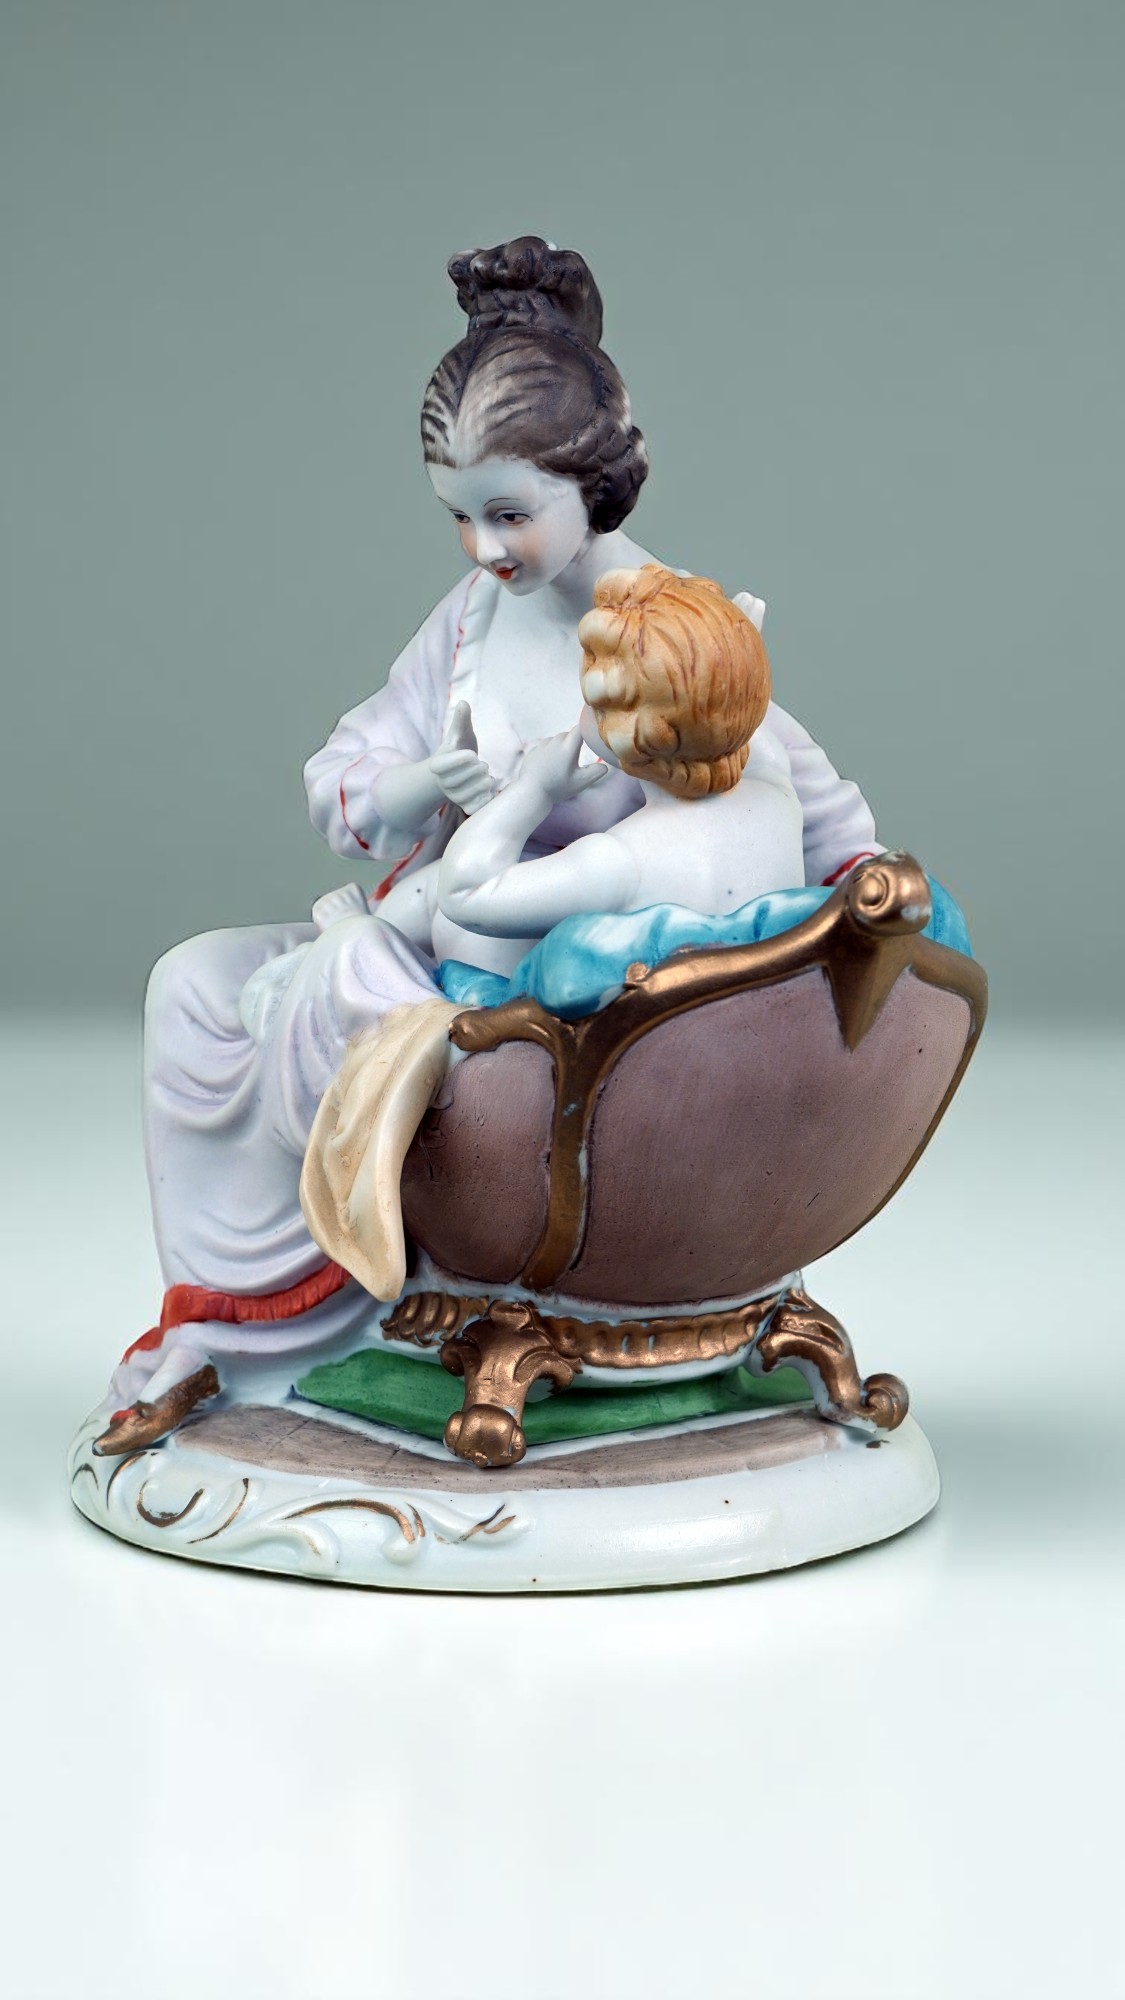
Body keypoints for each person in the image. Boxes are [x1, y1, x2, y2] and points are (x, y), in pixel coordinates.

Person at [96, 235, 881, 1453]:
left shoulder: (672, 634)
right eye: (458, 516)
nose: (483, 548)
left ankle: (305, 1311)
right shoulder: (470, 621)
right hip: (431, 943)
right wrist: (428, 780)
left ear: (596, 482)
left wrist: (850, 922)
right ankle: (222, 1332)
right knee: (191, 984)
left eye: (510, 513)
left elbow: (822, 822)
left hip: (533, 1021)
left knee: (334, 980)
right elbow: (345, 774)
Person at [437, 566, 805, 951]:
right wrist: (727, 663)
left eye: (592, 702)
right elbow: (739, 722)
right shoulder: (777, 796)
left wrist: (534, 790)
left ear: (624, 734)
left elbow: (466, 893)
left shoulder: (618, 862)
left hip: (646, 991)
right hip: (775, 984)